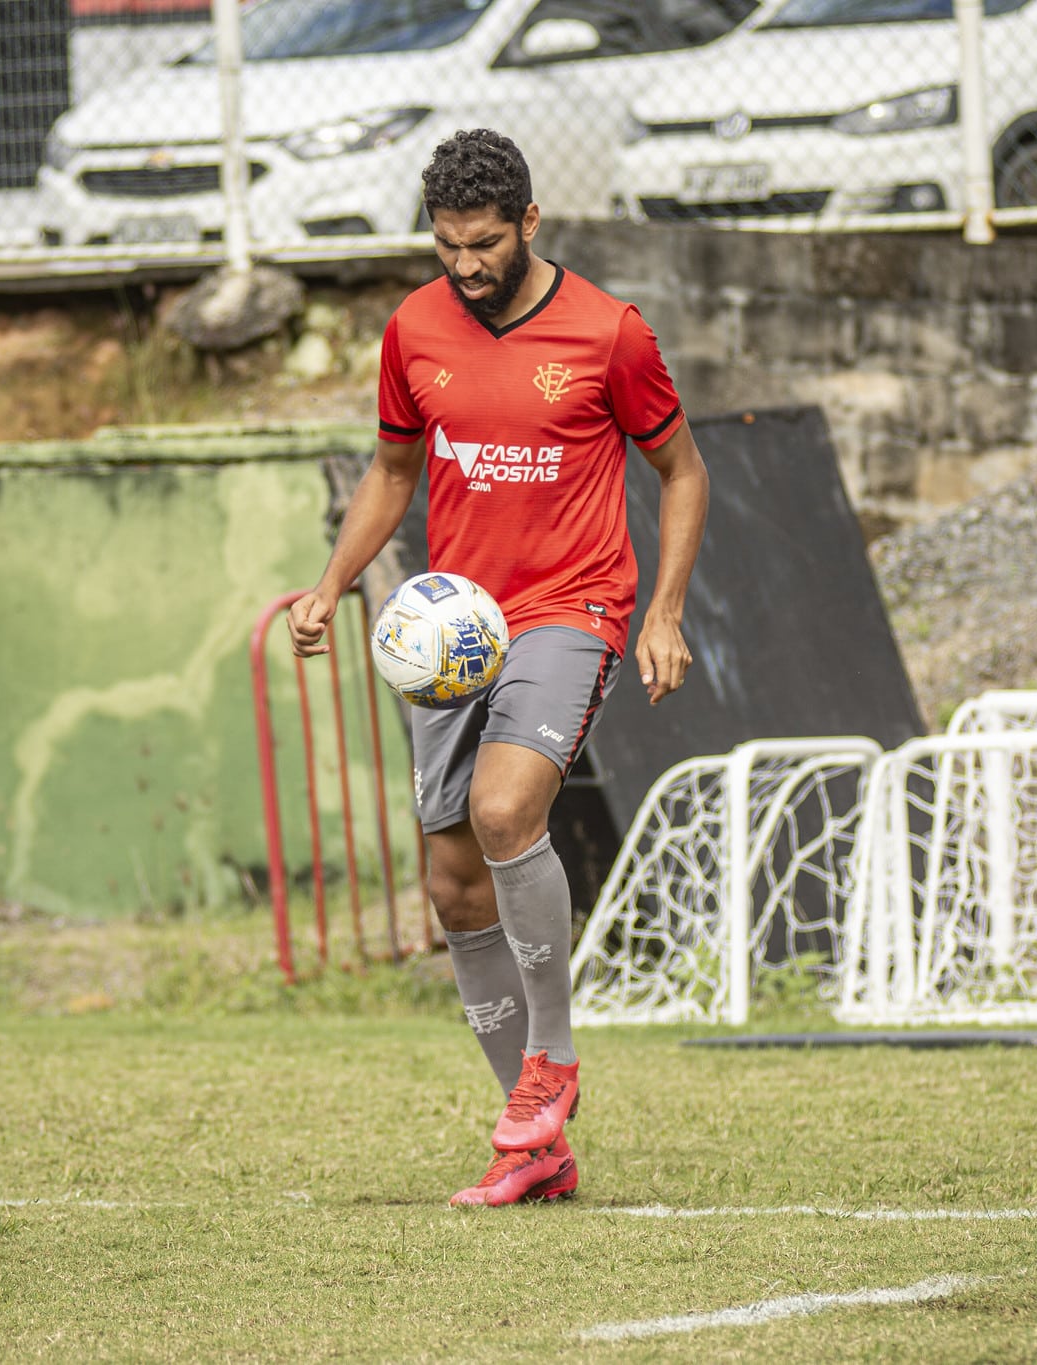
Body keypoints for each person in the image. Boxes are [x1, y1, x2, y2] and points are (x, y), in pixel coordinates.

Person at [288, 128, 709, 1208]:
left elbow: (682, 472)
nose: (464, 267)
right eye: (445, 246)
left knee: (505, 807)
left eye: (483, 244)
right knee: (449, 879)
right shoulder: (412, 330)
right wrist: (331, 585)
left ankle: (551, 1060)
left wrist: (661, 611)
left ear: (528, 224)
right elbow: (391, 472)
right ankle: (535, 1151)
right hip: (452, 630)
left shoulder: (608, 334)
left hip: (573, 609)